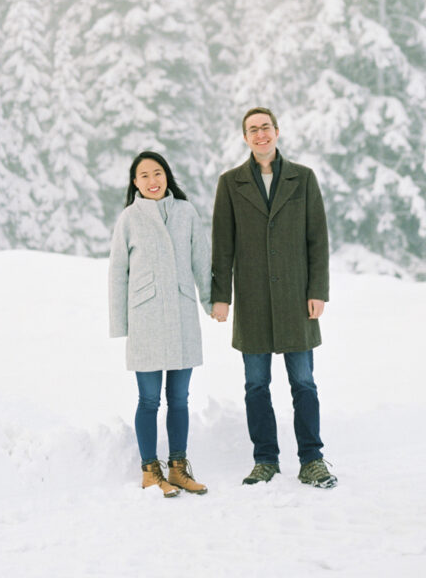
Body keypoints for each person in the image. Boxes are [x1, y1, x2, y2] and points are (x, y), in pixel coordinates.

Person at [210, 107, 337, 489]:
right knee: (256, 385)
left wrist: (318, 291)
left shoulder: (303, 178)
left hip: (297, 299)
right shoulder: (230, 183)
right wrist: (221, 297)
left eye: (266, 127)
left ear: (277, 132)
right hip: (252, 300)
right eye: (253, 129)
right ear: (245, 138)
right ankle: (265, 459)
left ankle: (312, 460)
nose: (260, 134)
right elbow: (223, 245)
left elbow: (318, 238)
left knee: (304, 383)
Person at [108, 150, 212, 497]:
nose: (152, 181)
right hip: (146, 317)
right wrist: (120, 323)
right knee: (149, 399)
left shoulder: (186, 213)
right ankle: (150, 471)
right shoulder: (129, 218)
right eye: (144, 176)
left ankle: (178, 469)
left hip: (182, 313)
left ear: (167, 176)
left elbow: (201, 260)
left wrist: (211, 301)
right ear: (134, 183)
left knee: (179, 399)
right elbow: (117, 273)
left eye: (158, 173)